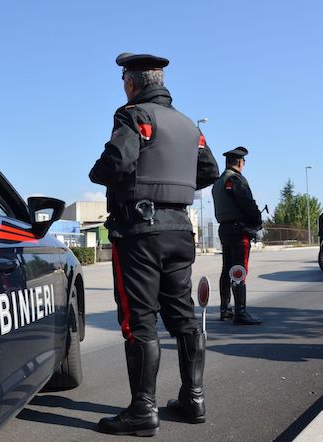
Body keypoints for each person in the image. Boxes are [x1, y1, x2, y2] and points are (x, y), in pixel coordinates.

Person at [89, 52, 219, 436]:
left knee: (139, 320)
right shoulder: (187, 124)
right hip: (180, 230)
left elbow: (115, 164)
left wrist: (98, 173)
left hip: (139, 234)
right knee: (182, 317)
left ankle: (143, 411)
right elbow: (209, 170)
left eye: (125, 81)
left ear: (133, 83)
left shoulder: (132, 116)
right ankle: (193, 399)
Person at [212, 147, 262, 325]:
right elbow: (248, 203)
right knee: (239, 269)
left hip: (224, 229)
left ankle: (225, 309)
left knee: (227, 269)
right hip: (239, 230)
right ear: (240, 163)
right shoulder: (236, 179)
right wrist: (257, 220)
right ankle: (240, 312)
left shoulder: (219, 182)